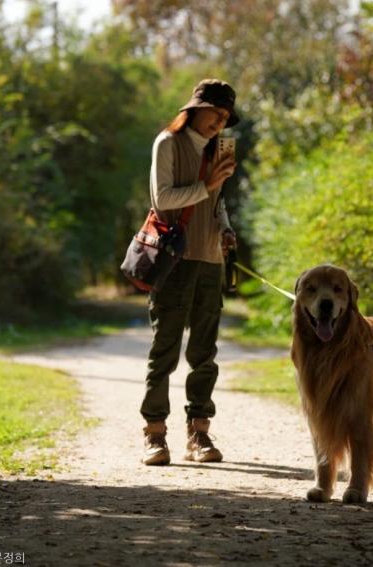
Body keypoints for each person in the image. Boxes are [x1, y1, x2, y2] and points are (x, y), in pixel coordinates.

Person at [140, 78, 238, 466]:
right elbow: (162, 199)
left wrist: (226, 228)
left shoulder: (218, 150)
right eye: (217, 112)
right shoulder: (168, 143)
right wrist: (207, 182)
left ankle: (199, 432)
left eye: (226, 116)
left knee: (204, 353)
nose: (220, 121)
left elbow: (217, 201)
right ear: (196, 107)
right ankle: (154, 434)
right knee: (164, 351)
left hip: (211, 260)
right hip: (174, 261)